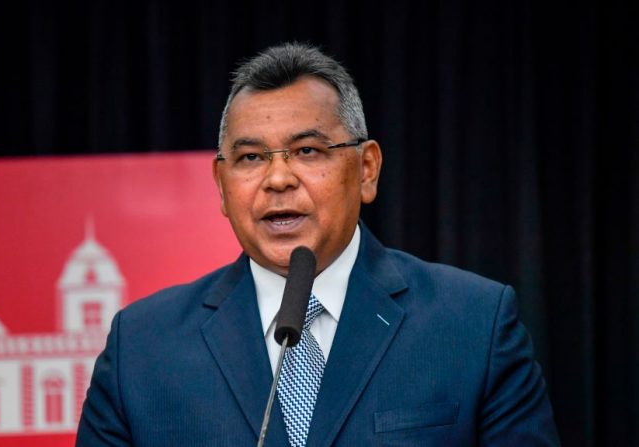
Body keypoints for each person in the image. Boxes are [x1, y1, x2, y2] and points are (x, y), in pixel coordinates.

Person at [76, 42, 560, 446]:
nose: (278, 178)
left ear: (366, 169)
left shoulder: (473, 323)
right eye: (250, 157)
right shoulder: (141, 349)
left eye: (308, 151)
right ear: (222, 186)